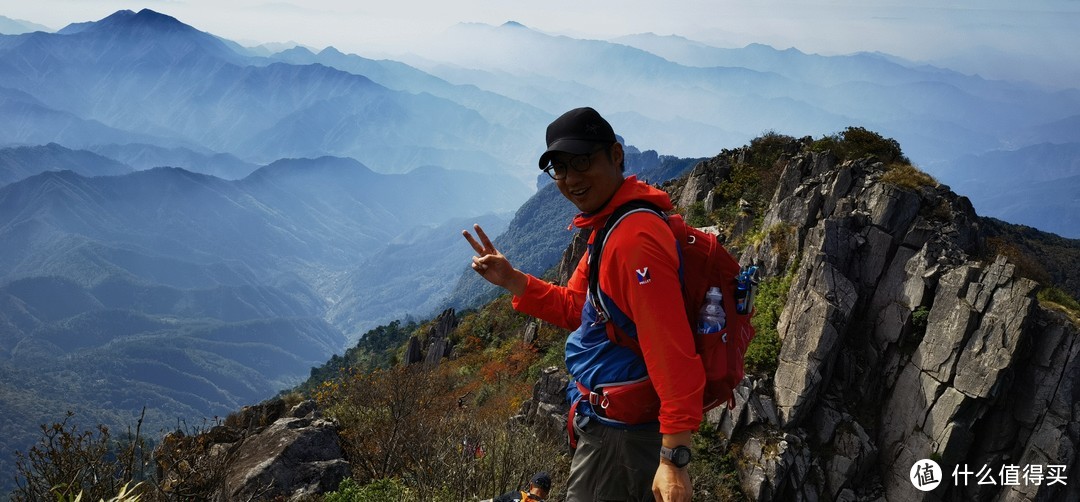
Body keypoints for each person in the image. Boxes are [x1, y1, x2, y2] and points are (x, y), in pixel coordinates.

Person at [463, 107, 703, 502]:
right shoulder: (609, 226)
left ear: (616, 156)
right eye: (560, 169)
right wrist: (513, 280)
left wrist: (674, 458)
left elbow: (671, 347)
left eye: (582, 162)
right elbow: (579, 308)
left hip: (623, 436)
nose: (572, 179)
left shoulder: (633, 239)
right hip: (606, 426)